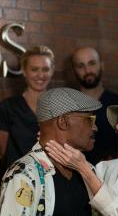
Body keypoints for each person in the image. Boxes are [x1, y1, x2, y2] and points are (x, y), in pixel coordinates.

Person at [0, 87, 102, 216]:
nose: (95, 127)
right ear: (63, 122)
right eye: (90, 119)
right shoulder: (24, 175)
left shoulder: (87, 171)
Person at [0, 45, 55, 178]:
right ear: (24, 71)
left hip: (52, 184)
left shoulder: (62, 109)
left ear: (52, 71)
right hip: (16, 185)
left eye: (45, 69)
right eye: (34, 69)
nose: (40, 75)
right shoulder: (8, 107)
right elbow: (1, 154)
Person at [71, 47, 118, 164]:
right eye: (80, 66)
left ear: (101, 65)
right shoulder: (67, 107)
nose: (87, 70)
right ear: (74, 70)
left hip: (113, 176)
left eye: (92, 63)